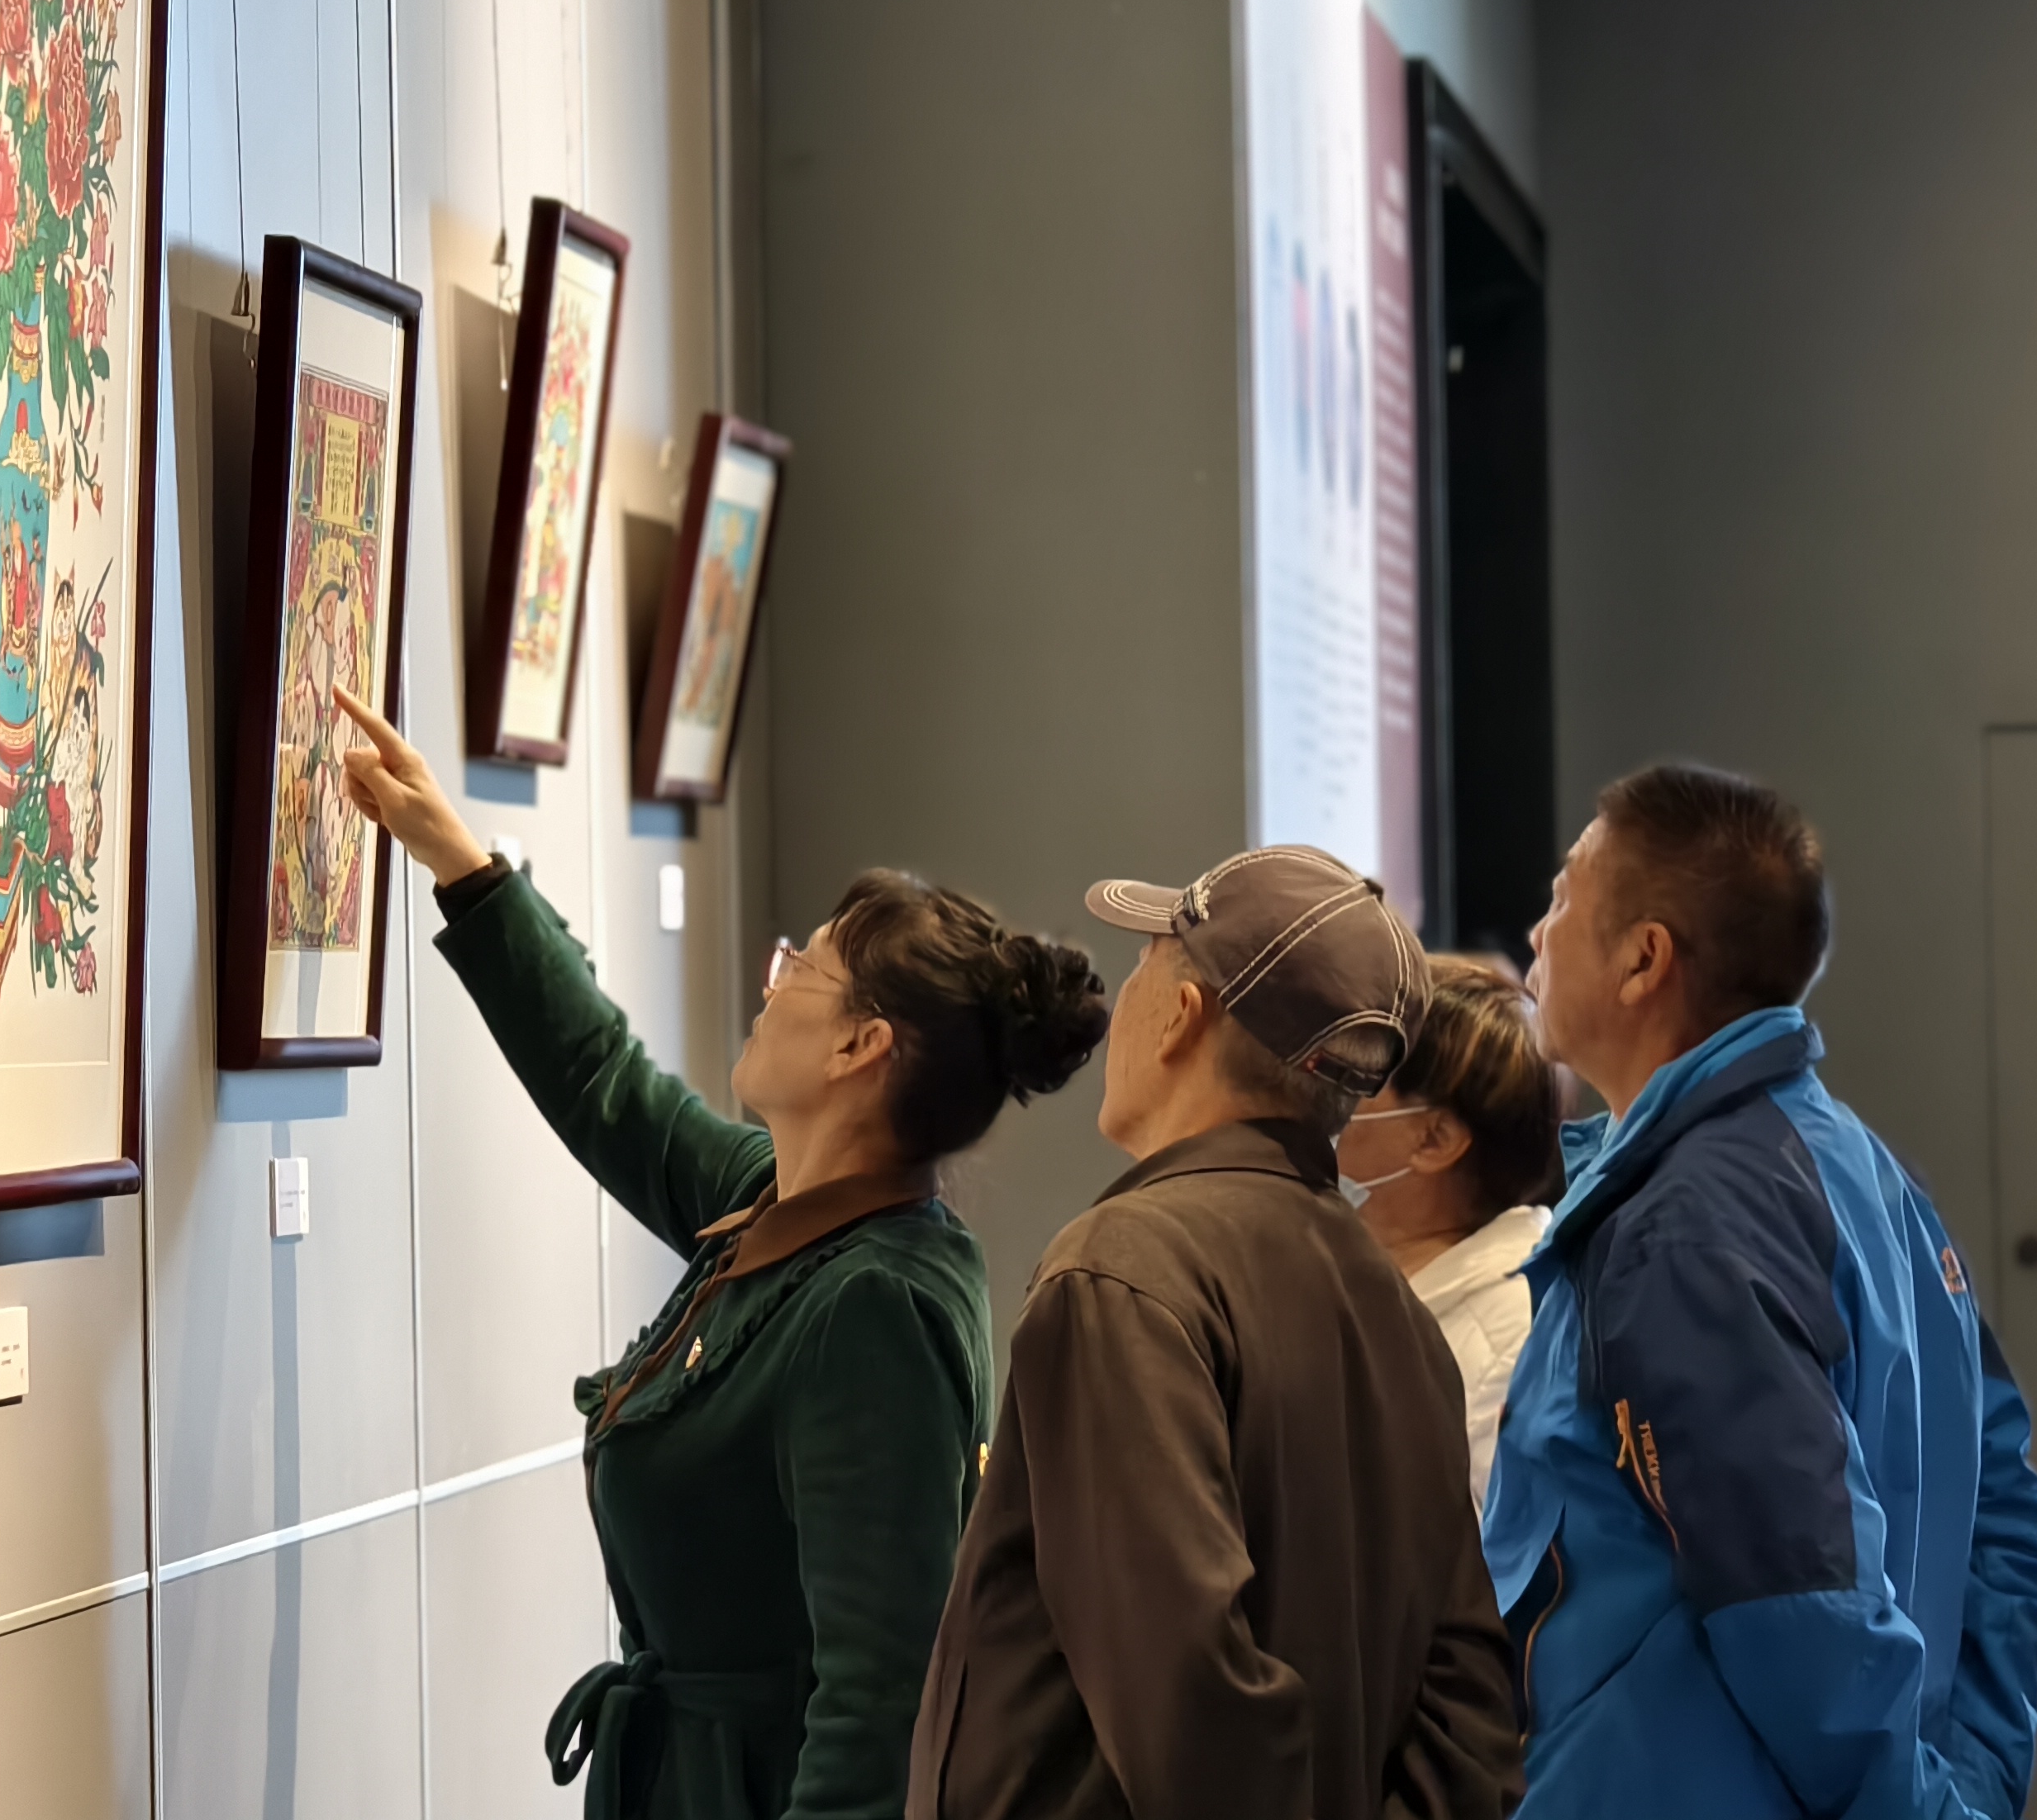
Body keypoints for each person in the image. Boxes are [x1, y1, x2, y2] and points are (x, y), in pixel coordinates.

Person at [332, 687, 1109, 1820]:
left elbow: (875, 1708)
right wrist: (459, 861)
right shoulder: (779, 1204)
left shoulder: (876, 1310)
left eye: (802, 967)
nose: (771, 979)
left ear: (860, 1045)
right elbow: (605, 1084)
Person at [1484, 763, 2037, 1820]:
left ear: (1643, 959)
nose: (1536, 931)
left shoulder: (1685, 1225)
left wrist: (1927, 1808)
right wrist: (1972, 1779)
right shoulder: (1857, 1168)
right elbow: (2010, 1534)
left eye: (1563, 897)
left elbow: (1800, 1607)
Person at [909, 845, 1525, 1820]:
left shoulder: (1121, 1271)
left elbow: (1193, 1706)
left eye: (1144, 962)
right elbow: (1468, 1707)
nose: (1123, 996)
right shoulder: (1397, 1310)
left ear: (1181, 1017)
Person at [1333, 953, 1564, 1502]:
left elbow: (1507, 1551)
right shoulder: (1357, 1281)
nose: (1321, 1098)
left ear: (1435, 1140)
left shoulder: (1514, 1340)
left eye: (1353, 1078)